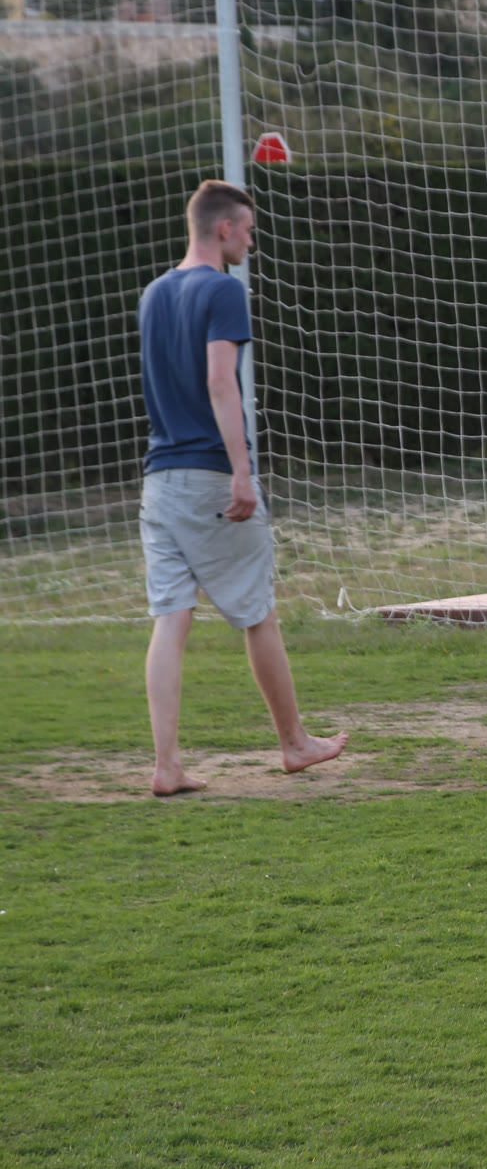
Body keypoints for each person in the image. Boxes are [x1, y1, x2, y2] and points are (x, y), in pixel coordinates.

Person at [138, 180, 348, 797]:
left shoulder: (154, 294)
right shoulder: (224, 289)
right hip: (210, 474)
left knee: (170, 618)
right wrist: (240, 470)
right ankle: (295, 744)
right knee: (258, 614)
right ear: (225, 228)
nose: (251, 242)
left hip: (158, 480)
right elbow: (219, 381)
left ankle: (167, 765)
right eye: (249, 231)